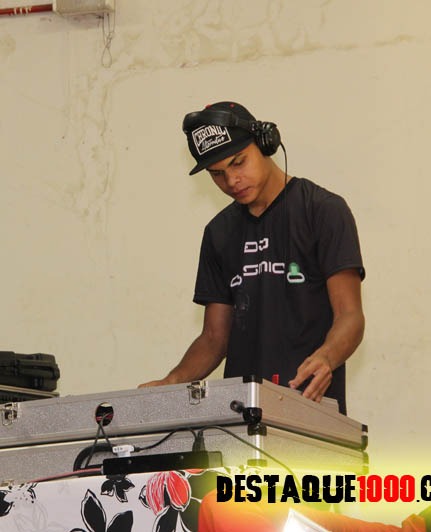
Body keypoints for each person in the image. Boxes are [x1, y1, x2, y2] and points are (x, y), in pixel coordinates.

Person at [139, 101, 365, 414]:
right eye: (217, 174)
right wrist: (172, 381)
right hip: (240, 416)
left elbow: (350, 316)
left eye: (238, 163)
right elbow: (214, 338)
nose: (231, 181)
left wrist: (327, 357)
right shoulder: (219, 233)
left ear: (264, 144)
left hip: (310, 408)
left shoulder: (323, 211)